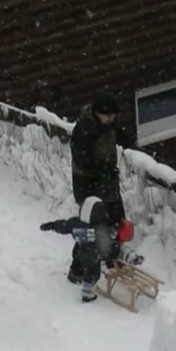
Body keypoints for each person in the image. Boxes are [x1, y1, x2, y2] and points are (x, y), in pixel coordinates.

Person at [69, 91, 125, 271]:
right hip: (88, 187)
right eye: (108, 115)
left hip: (107, 183)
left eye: (113, 115)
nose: (111, 119)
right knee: (92, 228)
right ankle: (77, 268)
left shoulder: (106, 124)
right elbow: (81, 160)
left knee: (116, 220)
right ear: (97, 112)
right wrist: (103, 169)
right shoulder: (84, 129)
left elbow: (118, 136)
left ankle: (112, 257)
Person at [40, 197, 118, 303]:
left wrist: (51, 225)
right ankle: (88, 293)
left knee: (77, 258)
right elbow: (109, 244)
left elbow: (64, 225)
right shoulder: (100, 229)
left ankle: (75, 273)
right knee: (92, 273)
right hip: (92, 256)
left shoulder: (76, 222)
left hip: (80, 251)